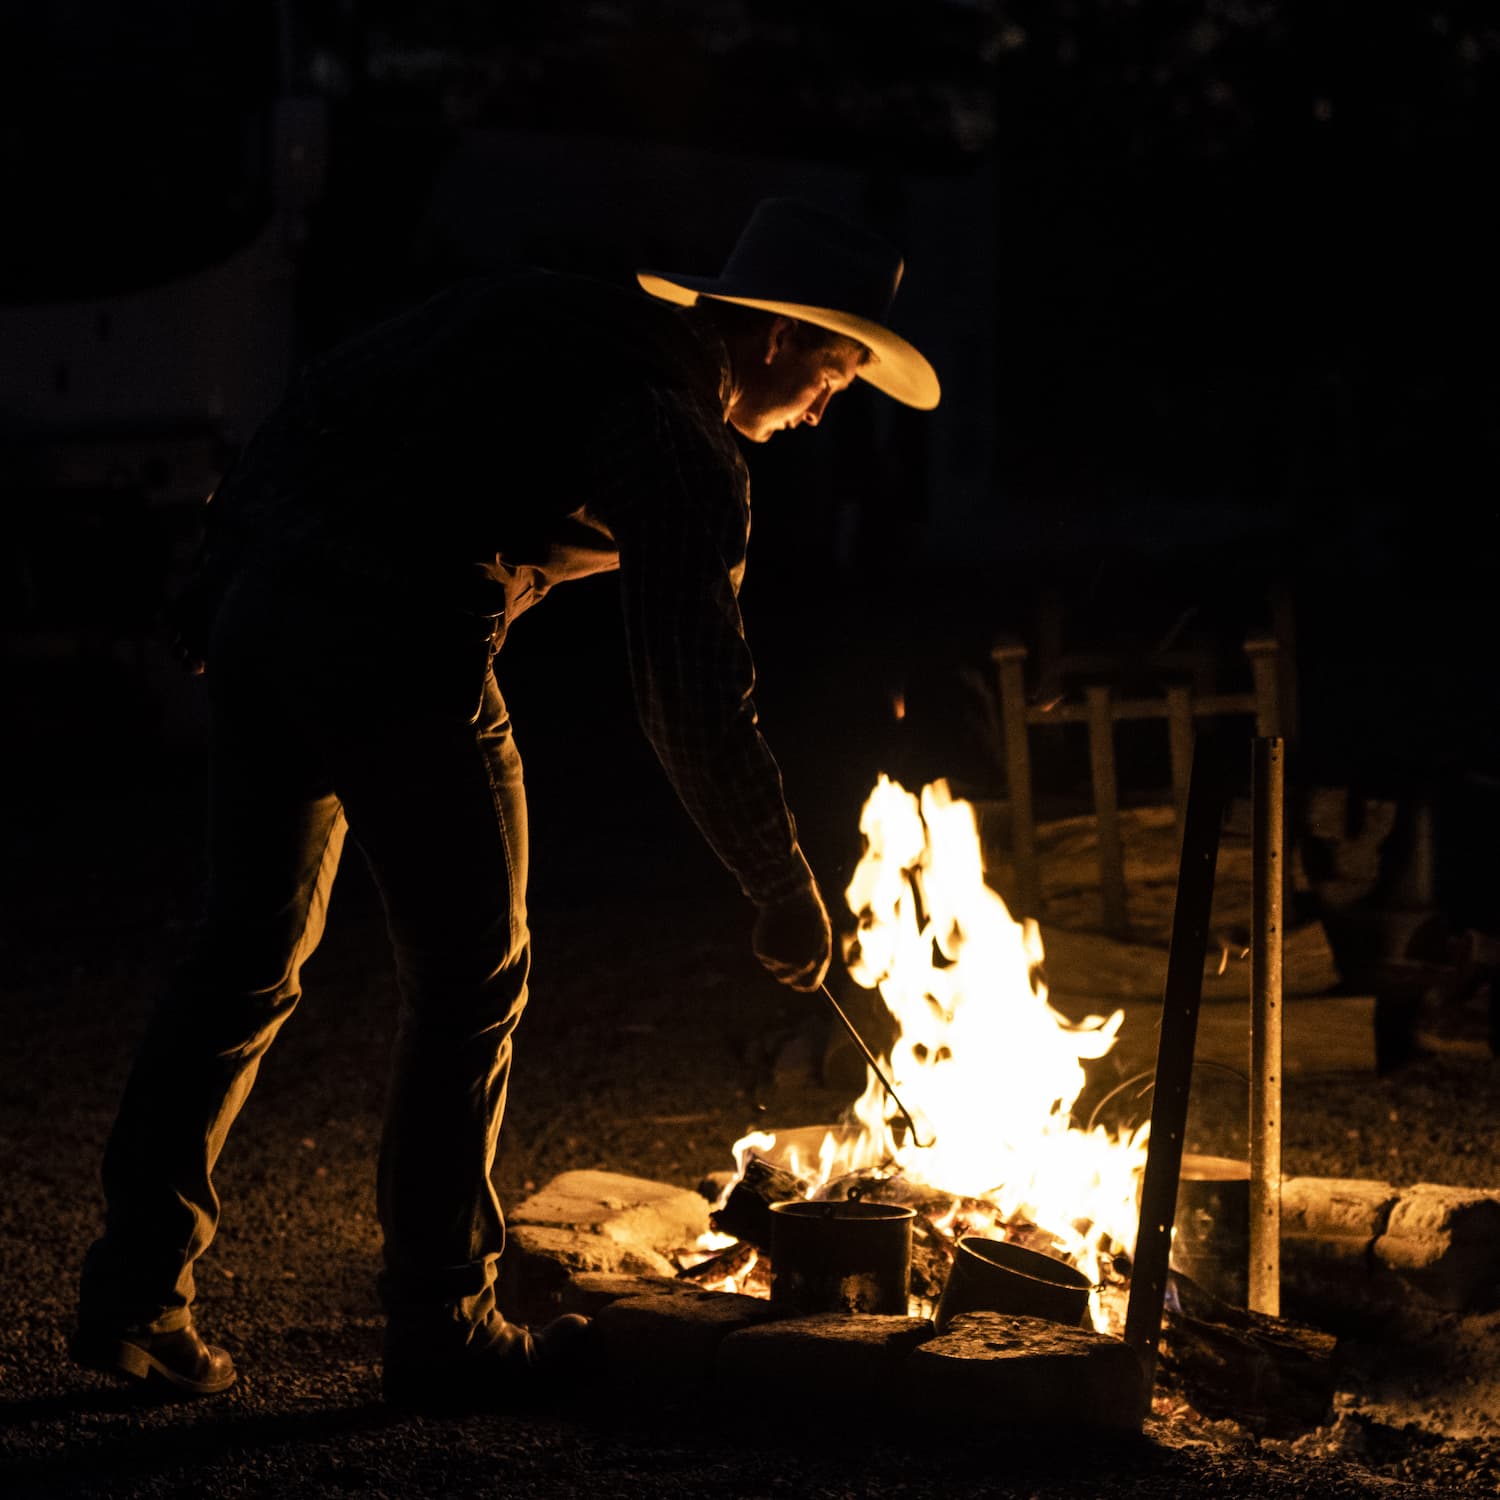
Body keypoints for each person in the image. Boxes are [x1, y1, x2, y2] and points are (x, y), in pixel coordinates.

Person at [70, 197, 941, 1410]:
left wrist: (226, 558)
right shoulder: (682, 443)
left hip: (272, 612)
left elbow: (332, 390)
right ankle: (443, 1325)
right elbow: (692, 695)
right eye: (836, 373)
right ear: (779, 338)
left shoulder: (543, 310)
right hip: (399, 640)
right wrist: (781, 884)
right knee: (474, 973)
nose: (826, 407)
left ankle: (133, 1297)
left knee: (243, 955)